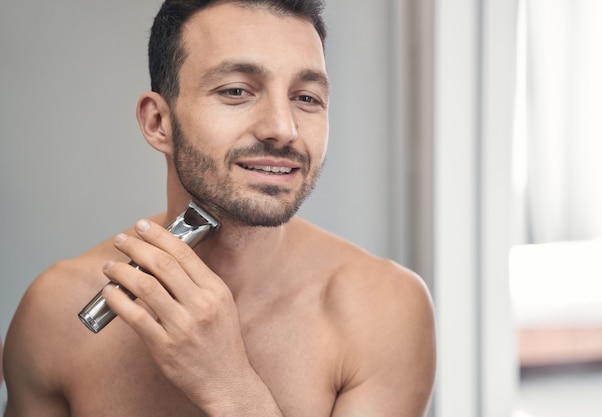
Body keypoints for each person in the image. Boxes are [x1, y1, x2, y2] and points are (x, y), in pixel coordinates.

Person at [3, 1, 436, 416]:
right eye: (236, 91)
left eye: (306, 98)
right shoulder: (56, 313)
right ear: (158, 123)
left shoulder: (382, 312)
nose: (283, 129)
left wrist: (231, 388)